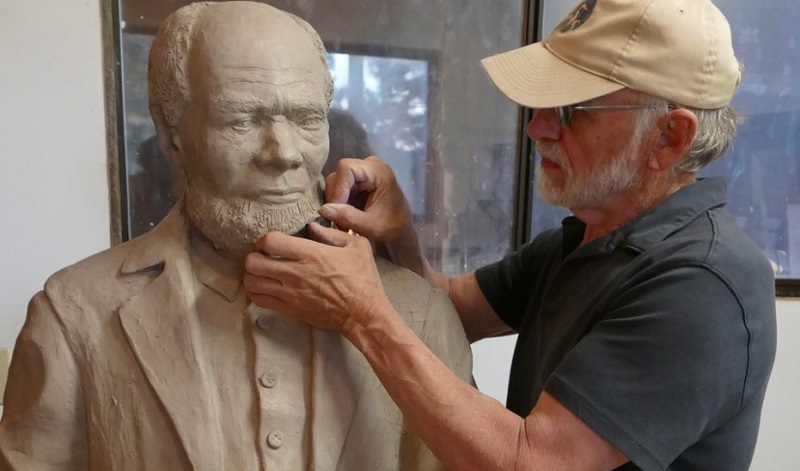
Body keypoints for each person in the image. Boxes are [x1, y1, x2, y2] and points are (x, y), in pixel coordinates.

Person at [242, 0, 778, 469]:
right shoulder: (585, 237)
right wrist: (399, 235)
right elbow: (447, 310)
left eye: (571, 109)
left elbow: (531, 461)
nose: (537, 128)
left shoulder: (703, 285)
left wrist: (362, 314)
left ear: (669, 136)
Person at [0, 2, 472, 470]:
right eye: (242, 120)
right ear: (171, 135)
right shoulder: (73, 315)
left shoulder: (419, 314)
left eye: (307, 119)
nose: (284, 154)